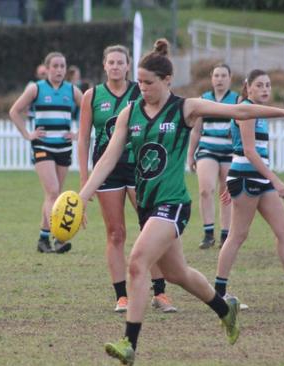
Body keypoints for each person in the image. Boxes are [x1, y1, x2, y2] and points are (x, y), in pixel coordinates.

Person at [79, 39, 284, 365]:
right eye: (140, 81)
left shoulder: (185, 108)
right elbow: (107, 159)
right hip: (149, 206)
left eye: (148, 83)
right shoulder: (129, 113)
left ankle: (128, 344)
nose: (142, 88)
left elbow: (240, 110)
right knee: (178, 274)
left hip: (174, 203)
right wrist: (83, 195)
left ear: (167, 81)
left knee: (137, 261)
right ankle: (224, 308)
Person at [78, 44, 176, 313]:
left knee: (149, 229)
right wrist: (85, 180)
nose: (116, 66)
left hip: (139, 167)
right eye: (111, 62)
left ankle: (160, 293)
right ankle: (122, 296)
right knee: (115, 233)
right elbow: (84, 137)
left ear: (128, 65)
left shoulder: (141, 90)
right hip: (106, 171)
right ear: (104, 65)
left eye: (121, 62)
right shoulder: (92, 96)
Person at [215, 69, 284, 307]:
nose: (265, 89)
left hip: (256, 178)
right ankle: (219, 293)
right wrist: (275, 180)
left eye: (268, 85)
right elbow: (248, 151)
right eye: (260, 85)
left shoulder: (259, 112)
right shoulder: (246, 110)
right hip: (248, 178)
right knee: (238, 235)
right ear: (248, 87)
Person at [9, 51, 82, 253]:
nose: (59, 70)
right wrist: (27, 134)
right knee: (52, 192)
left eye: (62, 66)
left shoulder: (72, 90)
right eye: (55, 66)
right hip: (42, 146)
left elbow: (90, 111)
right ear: (47, 68)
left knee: (55, 195)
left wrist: (77, 133)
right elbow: (14, 111)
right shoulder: (36, 89)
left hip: (64, 147)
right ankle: (58, 238)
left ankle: (42, 239)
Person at [187, 64, 239, 249]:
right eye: (216, 75)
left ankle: (226, 235)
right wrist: (190, 156)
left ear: (230, 78)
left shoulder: (236, 100)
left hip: (228, 152)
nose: (219, 79)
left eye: (223, 75)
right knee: (205, 189)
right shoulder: (204, 100)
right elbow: (196, 131)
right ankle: (208, 233)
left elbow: (241, 127)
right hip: (207, 150)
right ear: (211, 78)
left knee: (226, 194)